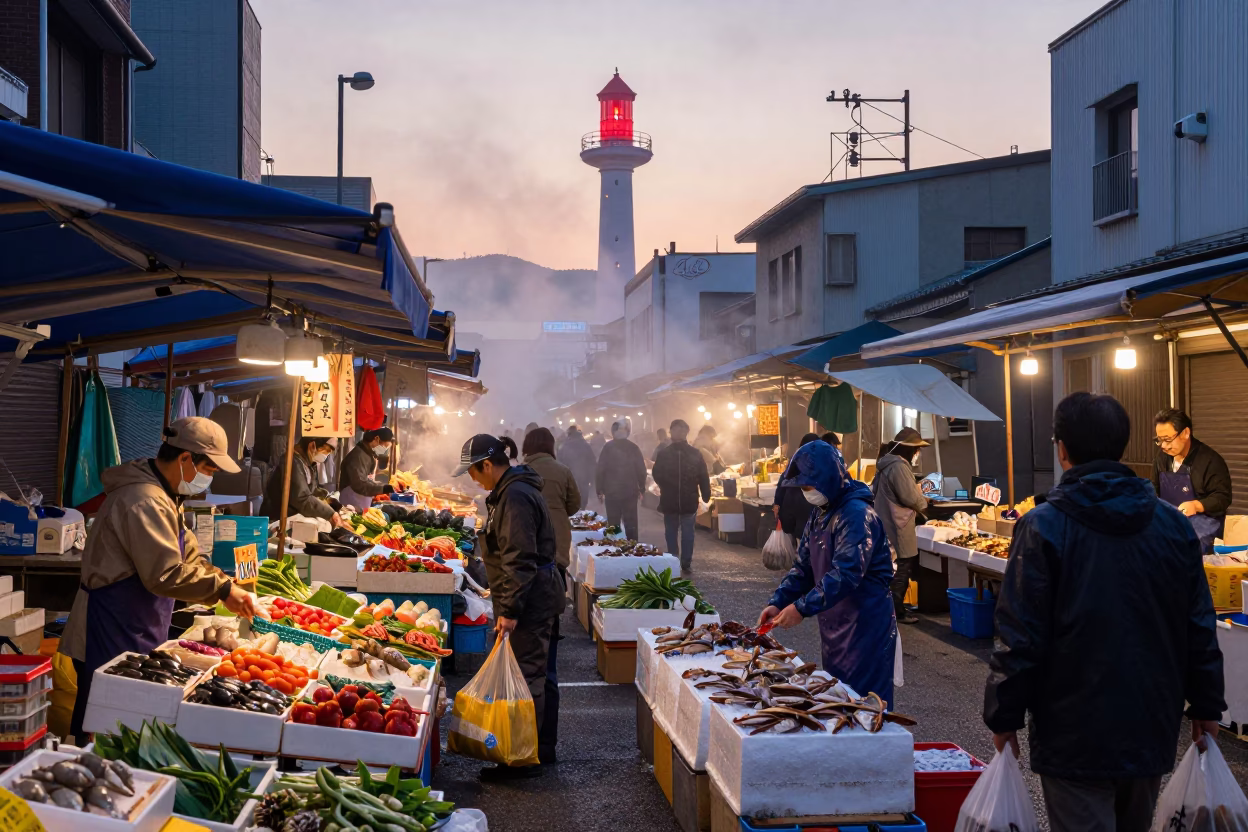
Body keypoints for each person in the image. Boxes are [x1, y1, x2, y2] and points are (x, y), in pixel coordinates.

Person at [985, 393, 1225, 832]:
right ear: (1123, 445)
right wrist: (1207, 703)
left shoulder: (1043, 525)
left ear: (1062, 449)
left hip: (1070, 727)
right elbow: (1198, 622)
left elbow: (1019, 633)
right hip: (1151, 719)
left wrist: (1003, 716)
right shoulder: (1172, 526)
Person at [63, 418, 258, 740]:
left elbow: (189, 557)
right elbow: (165, 573)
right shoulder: (145, 499)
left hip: (136, 622)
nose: (208, 479)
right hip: (110, 625)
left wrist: (224, 581)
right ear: (185, 459)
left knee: (129, 721)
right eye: (208, 470)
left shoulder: (166, 496)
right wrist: (222, 589)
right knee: (106, 725)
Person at [455, 433, 565, 777]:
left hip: (531, 599)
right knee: (539, 673)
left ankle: (521, 756)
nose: (473, 479)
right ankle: (540, 749)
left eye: (474, 472)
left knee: (528, 675)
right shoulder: (511, 490)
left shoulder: (515, 496)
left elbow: (520, 558)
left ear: (487, 465)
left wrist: (510, 612)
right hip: (537, 594)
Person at [757, 440, 897, 708]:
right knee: (837, 697)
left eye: (809, 487)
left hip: (865, 625)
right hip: (834, 623)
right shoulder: (820, 513)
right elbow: (804, 567)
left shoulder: (856, 515)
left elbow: (846, 573)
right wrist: (778, 601)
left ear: (829, 478)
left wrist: (801, 608)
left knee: (865, 705)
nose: (806, 493)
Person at [872, 428, 930, 625]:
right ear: (910, 450)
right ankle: (897, 610)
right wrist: (925, 503)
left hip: (885, 520)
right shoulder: (898, 467)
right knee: (903, 566)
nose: (917, 454)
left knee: (892, 567)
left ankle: (889, 608)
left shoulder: (885, 464)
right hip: (898, 522)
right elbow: (909, 497)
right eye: (917, 450)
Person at [1152, 408, 1232, 553]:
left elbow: (1222, 497)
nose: (1163, 446)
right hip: (1171, 517)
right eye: (1159, 440)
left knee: (1188, 544)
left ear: (1185, 433)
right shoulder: (1161, 459)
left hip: (1204, 520)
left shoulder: (1210, 460)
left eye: (1168, 439)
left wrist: (1196, 505)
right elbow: (1154, 489)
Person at [652, 420, 711, 572]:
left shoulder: (691, 453)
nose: (678, 433)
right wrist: (666, 485)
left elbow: (703, 475)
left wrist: (706, 493)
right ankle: (678, 560)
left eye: (681, 430)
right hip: (676, 500)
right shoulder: (666, 454)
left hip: (683, 499)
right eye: (676, 430)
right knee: (677, 532)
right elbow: (657, 474)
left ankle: (681, 561)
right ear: (671, 432)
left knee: (682, 532)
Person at [522, 428, 581, 574]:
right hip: (557, 534)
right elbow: (574, 504)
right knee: (557, 576)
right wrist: (557, 510)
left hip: (527, 534)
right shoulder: (563, 471)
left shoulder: (520, 472)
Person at [260, 435, 344, 528]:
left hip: (292, 518)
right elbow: (302, 498)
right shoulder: (291, 462)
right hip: (276, 521)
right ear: (312, 445)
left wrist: (329, 499)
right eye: (327, 451)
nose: (327, 455)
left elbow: (311, 490)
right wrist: (330, 513)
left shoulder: (308, 462)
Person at [595, 420, 647, 540]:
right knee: (631, 522)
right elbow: (641, 470)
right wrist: (642, 488)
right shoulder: (633, 448)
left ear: (613, 432)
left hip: (611, 492)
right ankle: (633, 548)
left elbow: (600, 470)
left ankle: (614, 548)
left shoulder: (607, 448)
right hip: (630, 492)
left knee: (613, 523)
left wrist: (599, 490)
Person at [338, 427, 396, 513]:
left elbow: (365, 479)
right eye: (384, 446)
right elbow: (359, 484)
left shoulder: (366, 453)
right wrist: (382, 489)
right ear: (376, 439)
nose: (384, 450)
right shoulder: (358, 456)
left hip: (358, 500)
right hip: (351, 500)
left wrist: (381, 487)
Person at [772, 433, 820, 537]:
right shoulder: (819, 459)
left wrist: (777, 503)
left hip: (792, 500)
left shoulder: (796, 457)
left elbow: (783, 480)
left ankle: (799, 550)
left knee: (798, 534)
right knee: (806, 534)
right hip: (807, 501)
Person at [560, 427, 598, 510]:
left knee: (570, 497)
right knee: (583, 495)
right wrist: (592, 479)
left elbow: (560, 462)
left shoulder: (565, 446)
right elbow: (592, 462)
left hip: (569, 476)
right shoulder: (585, 445)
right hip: (584, 476)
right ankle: (582, 509)